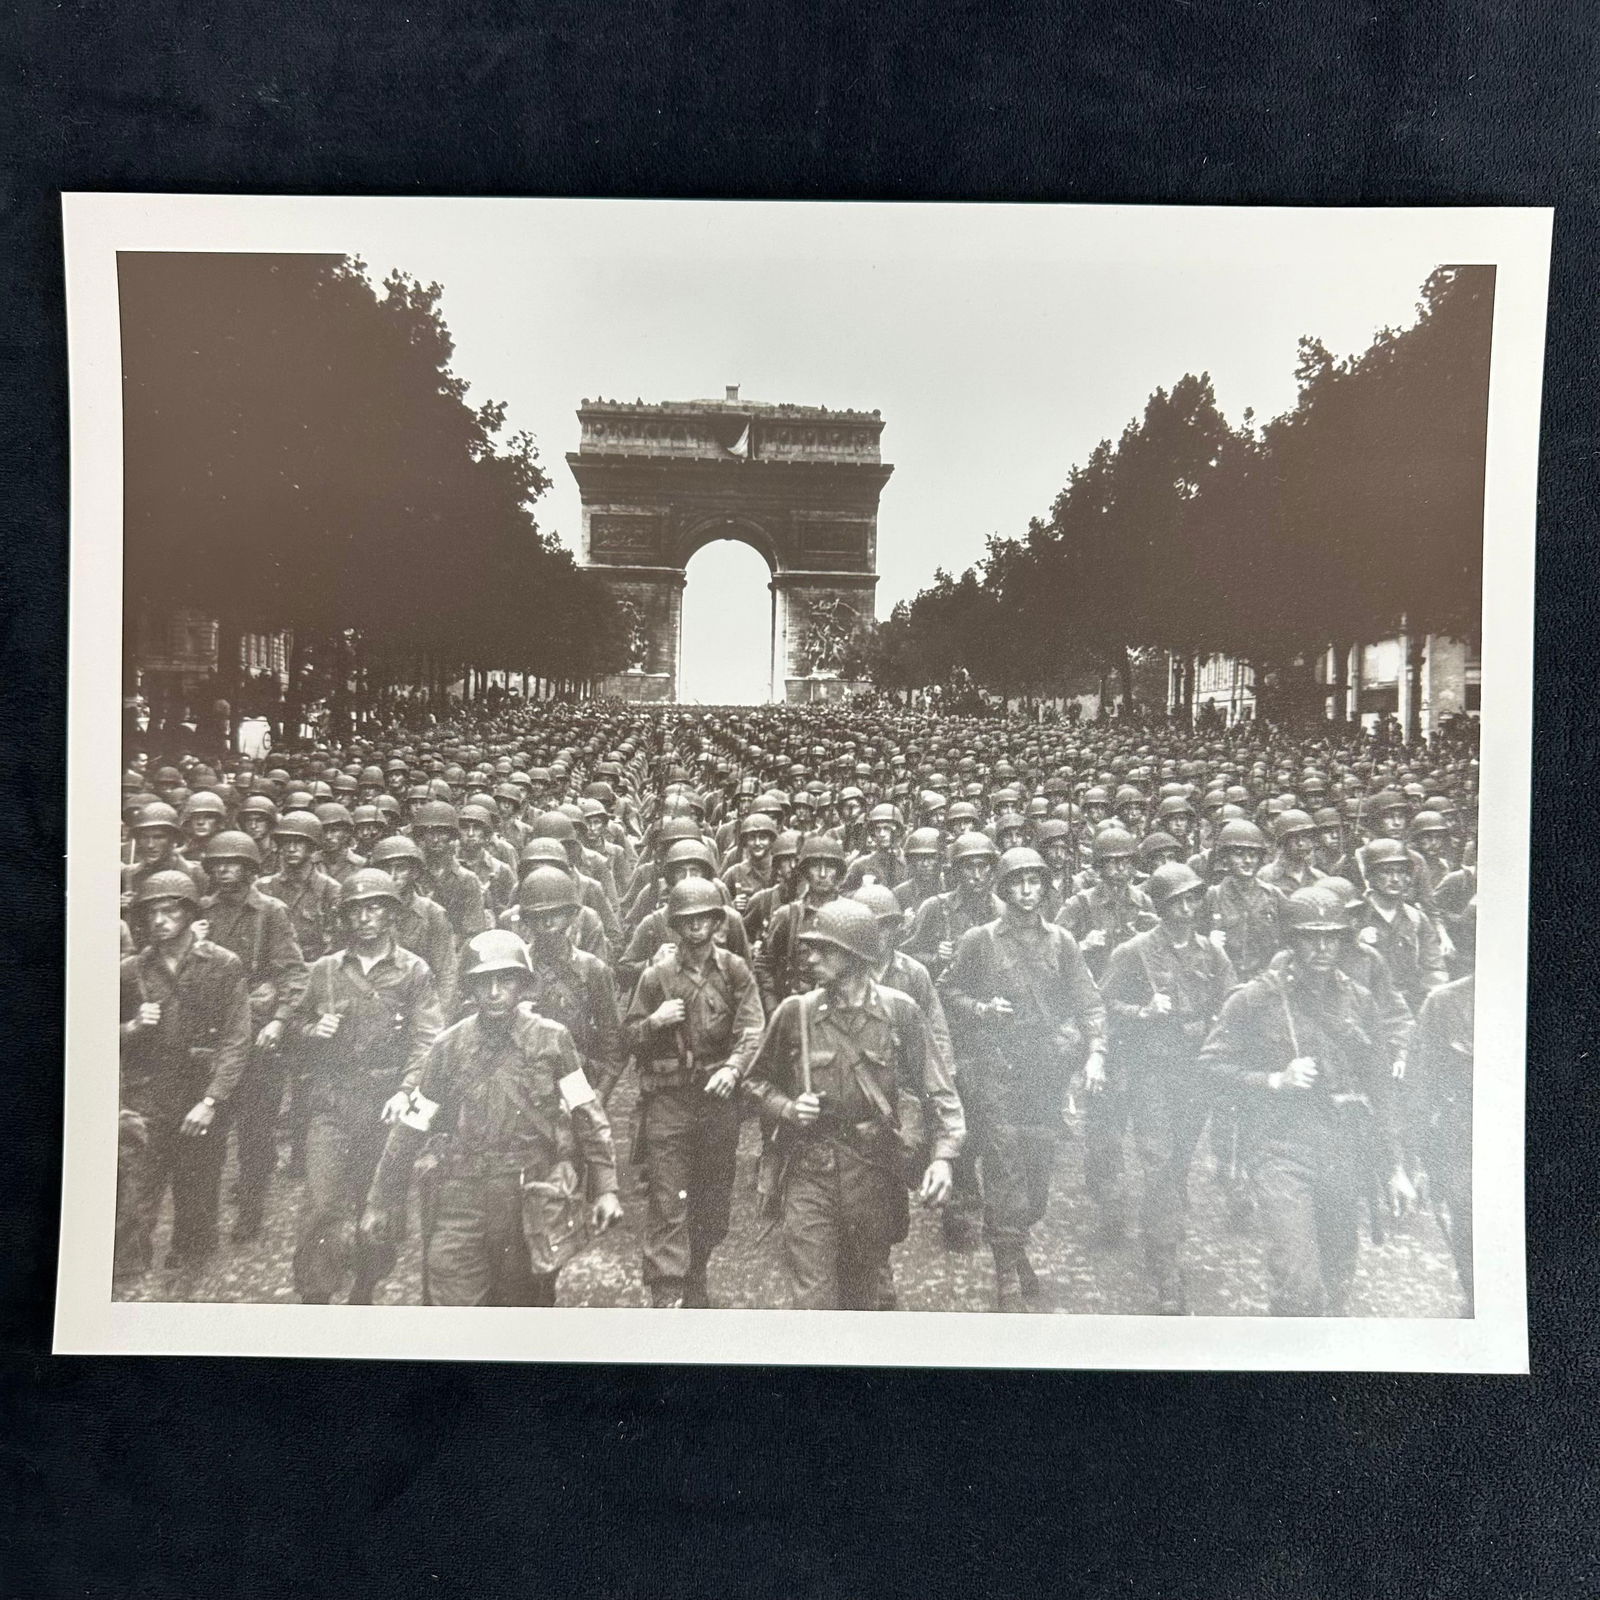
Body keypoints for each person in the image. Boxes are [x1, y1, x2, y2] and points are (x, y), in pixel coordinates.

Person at [361, 930, 622, 1306]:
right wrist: (381, 1199)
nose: (495, 991)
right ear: (471, 989)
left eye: (506, 980)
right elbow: (413, 1124)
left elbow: (587, 1114)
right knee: (450, 1305)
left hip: (528, 1197)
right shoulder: (448, 1047)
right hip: (460, 1196)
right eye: (484, 982)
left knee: (522, 1310)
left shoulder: (553, 1040)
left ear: (523, 986)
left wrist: (608, 1189)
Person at [1199, 886, 1416, 1316]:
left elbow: (1380, 1087)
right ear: (1291, 940)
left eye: (1332, 936)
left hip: (1343, 1148)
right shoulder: (1256, 998)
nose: (1322, 947)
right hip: (1280, 1148)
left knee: (1337, 1274)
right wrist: (1273, 1080)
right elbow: (1209, 1067)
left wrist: (1395, 1166)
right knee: (1297, 1280)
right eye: (1310, 937)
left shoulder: (1359, 998)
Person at [744, 899, 964, 1310]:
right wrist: (788, 1109)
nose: (810, 958)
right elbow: (754, 1082)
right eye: (808, 948)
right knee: (813, 1299)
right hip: (810, 1169)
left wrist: (944, 1158)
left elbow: (940, 1091)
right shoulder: (797, 1013)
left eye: (823, 949)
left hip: (873, 1171)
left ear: (856, 954)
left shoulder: (900, 1011)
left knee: (863, 1295)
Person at [942, 847, 1106, 1311]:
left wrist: (1095, 1052)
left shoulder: (1062, 942)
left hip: (1044, 1074)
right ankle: (1006, 1275)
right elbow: (947, 991)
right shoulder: (980, 940)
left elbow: (1089, 1003)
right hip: (995, 1071)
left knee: (1036, 1187)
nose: (1028, 890)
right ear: (1004, 888)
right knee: (1003, 1170)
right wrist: (982, 1009)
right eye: (1018, 882)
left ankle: (1015, 1248)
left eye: (1036, 881)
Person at [290, 868, 443, 1303]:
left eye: (374, 907)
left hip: (387, 1105)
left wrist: (407, 1090)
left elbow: (427, 1038)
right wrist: (310, 1029)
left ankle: (364, 1287)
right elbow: (294, 1027)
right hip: (333, 1103)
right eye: (355, 910)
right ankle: (316, 1295)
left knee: (378, 1206)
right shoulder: (324, 969)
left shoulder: (414, 971)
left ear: (392, 913)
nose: (365, 918)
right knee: (322, 1205)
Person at [1094, 861, 1236, 1312]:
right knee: (1157, 1163)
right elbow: (1101, 1006)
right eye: (1178, 902)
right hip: (1150, 1072)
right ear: (1159, 907)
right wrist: (1143, 1012)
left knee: (1178, 1163)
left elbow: (1232, 1004)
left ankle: (1163, 1221)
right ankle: (1165, 1263)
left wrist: (1218, 1031)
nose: (1188, 908)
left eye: (1194, 899)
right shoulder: (1133, 952)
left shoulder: (1211, 954)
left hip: (1195, 1074)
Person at [624, 878, 765, 1307]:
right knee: (669, 1201)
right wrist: (655, 1022)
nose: (696, 927)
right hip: (669, 1101)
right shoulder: (655, 976)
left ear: (717, 922)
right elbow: (627, 1036)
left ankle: (695, 1275)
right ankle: (667, 1294)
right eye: (687, 920)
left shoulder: (736, 970)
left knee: (711, 1201)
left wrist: (735, 1068)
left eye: (705, 918)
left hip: (718, 1101)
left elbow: (754, 1027)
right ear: (675, 925)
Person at [117, 870, 251, 1276]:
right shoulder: (130, 972)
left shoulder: (224, 965)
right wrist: (132, 1027)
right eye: (152, 912)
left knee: (197, 1198)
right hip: (147, 1100)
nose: (159, 920)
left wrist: (212, 1100)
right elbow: (87, 1036)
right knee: (134, 1200)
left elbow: (237, 1038)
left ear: (190, 913)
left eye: (170, 910)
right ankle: (120, 1293)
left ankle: (187, 1285)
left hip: (199, 1099)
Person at [198, 830, 309, 1241]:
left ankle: (250, 1212)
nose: (226, 871)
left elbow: (294, 971)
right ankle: (201, 1228)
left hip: (260, 1037)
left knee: (256, 1134)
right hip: (213, 1036)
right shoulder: (203, 912)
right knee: (207, 1137)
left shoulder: (271, 912)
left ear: (249, 868)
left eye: (235, 864)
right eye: (219, 864)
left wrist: (280, 1018)